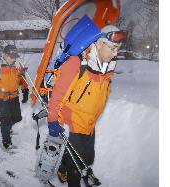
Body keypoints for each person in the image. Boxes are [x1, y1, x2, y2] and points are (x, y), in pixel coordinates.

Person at [47, 25, 127, 186]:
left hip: (89, 124)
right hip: (73, 123)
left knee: (88, 158)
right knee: (76, 166)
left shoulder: (105, 68)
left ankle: (63, 166)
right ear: (99, 44)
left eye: (117, 49)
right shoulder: (77, 64)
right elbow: (58, 94)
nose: (115, 53)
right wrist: (52, 119)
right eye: (112, 48)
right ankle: (70, 174)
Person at [0, 44, 29, 149]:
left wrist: (25, 90)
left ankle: (6, 127)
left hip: (14, 97)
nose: (13, 59)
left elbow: (22, 79)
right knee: (5, 119)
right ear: (4, 55)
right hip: (0, 97)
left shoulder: (17, 66)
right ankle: (6, 141)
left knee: (17, 117)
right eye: (11, 56)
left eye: (14, 57)